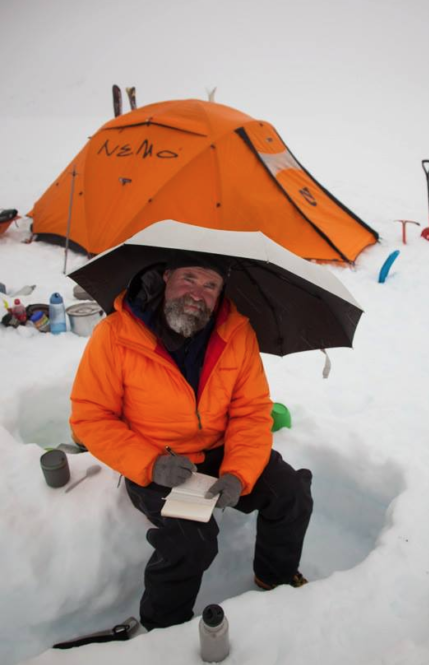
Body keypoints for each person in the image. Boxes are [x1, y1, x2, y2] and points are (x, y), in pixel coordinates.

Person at [70, 255, 313, 631]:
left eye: (210, 285)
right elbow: (91, 416)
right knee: (191, 541)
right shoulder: (116, 335)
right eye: (189, 279)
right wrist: (151, 464)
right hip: (156, 460)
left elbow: (251, 412)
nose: (197, 294)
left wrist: (239, 473)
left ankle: (275, 579)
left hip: (221, 451)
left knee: (291, 493)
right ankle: (162, 628)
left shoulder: (236, 334)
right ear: (166, 277)